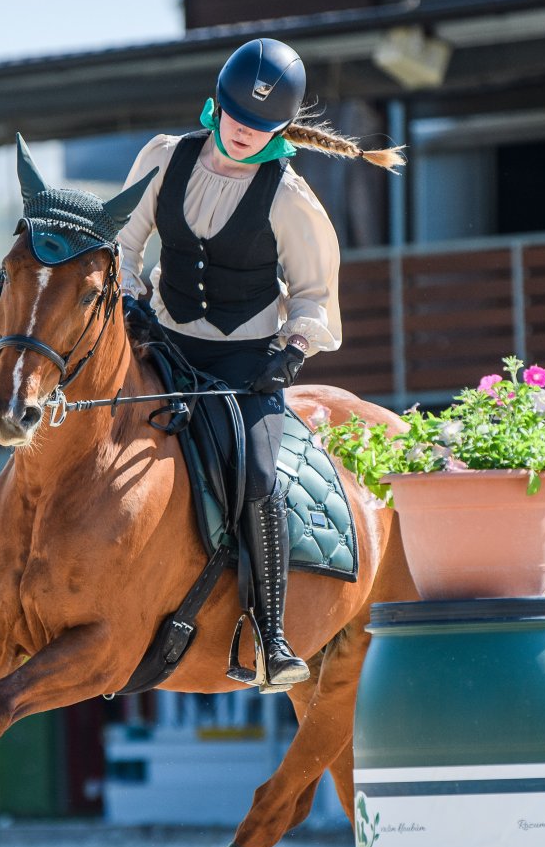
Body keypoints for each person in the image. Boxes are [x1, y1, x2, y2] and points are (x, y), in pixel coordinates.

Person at [114, 38, 403, 689]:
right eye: (238, 120)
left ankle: (272, 636)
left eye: (262, 128)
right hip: (161, 344)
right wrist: (131, 300)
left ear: (282, 129)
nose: (245, 135)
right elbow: (124, 241)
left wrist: (290, 356)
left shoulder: (289, 196)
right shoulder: (165, 157)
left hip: (246, 368)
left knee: (262, 478)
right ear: (215, 106)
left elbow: (313, 295)